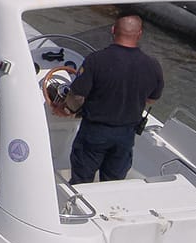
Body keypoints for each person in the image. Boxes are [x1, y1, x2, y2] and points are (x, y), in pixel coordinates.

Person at [55, 14, 165, 185]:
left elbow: (77, 96)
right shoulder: (153, 65)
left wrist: (66, 109)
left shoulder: (96, 60)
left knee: (82, 178)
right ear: (139, 33)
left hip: (95, 131)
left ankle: (80, 207)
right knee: (114, 182)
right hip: (126, 134)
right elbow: (151, 99)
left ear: (113, 30)